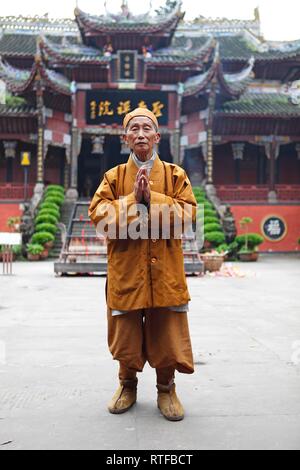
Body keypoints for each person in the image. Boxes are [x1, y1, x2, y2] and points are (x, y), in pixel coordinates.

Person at [89, 107, 197, 421]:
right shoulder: (114, 177)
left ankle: (167, 389)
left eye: (146, 128)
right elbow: (98, 217)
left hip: (165, 271)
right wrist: (131, 202)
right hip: (127, 270)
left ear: (157, 136)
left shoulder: (176, 174)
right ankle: (127, 385)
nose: (140, 134)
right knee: (126, 331)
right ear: (125, 138)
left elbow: (188, 215)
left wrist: (154, 200)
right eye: (133, 129)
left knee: (166, 329)